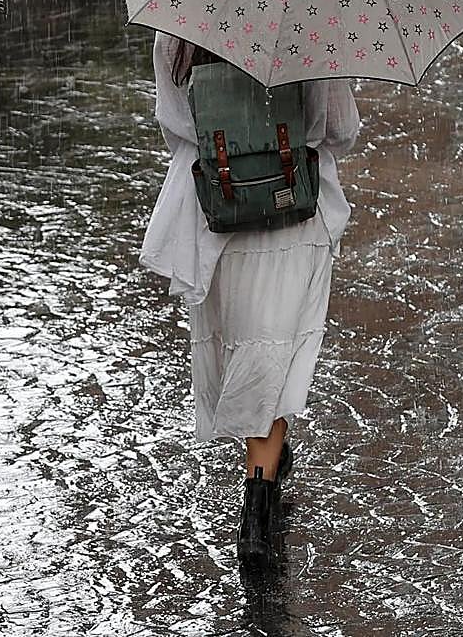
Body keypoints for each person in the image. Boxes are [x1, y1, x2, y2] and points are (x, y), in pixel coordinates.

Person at [140, 31, 360, 566]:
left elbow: (175, 124)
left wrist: (231, 146)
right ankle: (257, 506)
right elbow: (339, 129)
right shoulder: (311, 21)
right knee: (276, 351)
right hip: (294, 210)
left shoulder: (178, 29)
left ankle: (264, 478)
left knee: (245, 346)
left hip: (216, 212)